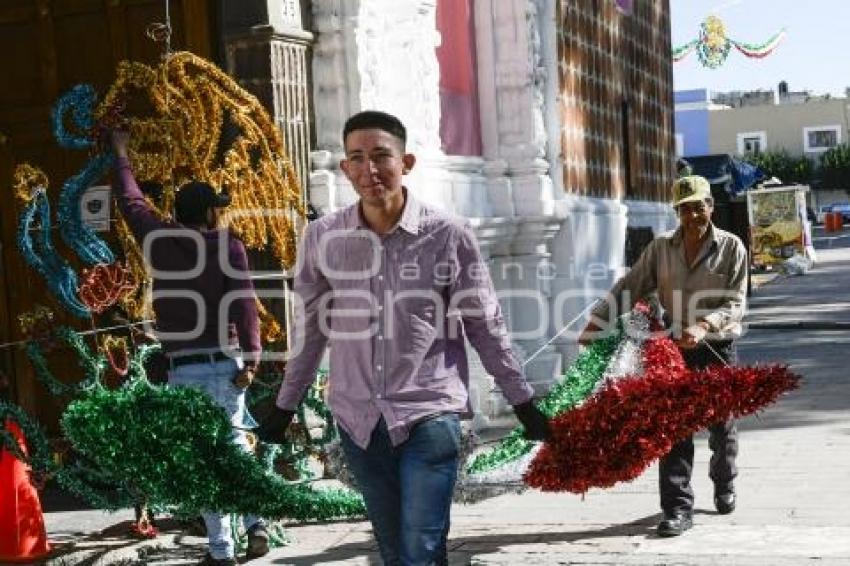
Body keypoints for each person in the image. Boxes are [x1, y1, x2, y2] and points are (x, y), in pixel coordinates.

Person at [258, 110, 551, 565]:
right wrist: (284, 405)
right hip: (358, 418)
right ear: (345, 169)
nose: (369, 169)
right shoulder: (322, 237)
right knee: (393, 549)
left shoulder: (448, 234)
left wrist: (522, 400)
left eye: (381, 156)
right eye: (356, 158)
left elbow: (484, 323)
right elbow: (311, 330)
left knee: (421, 545)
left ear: (406, 162)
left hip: (429, 411)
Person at [109, 130, 269, 565]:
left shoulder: (159, 240)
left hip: (184, 367)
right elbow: (244, 306)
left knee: (202, 457)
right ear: (210, 213)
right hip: (225, 364)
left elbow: (132, 203)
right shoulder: (229, 246)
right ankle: (256, 525)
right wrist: (252, 359)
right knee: (235, 447)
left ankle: (222, 549)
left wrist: (122, 153)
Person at [579, 175, 747, 537]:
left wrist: (704, 326)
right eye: (683, 209)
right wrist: (598, 321)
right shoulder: (660, 249)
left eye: (697, 207)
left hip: (716, 347)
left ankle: (724, 481)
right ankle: (676, 508)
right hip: (674, 349)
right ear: (676, 211)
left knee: (722, 427)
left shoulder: (732, 247)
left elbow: (736, 301)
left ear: (711, 206)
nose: (691, 216)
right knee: (673, 427)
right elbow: (630, 285)